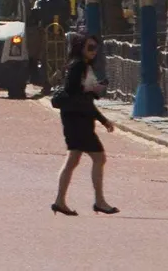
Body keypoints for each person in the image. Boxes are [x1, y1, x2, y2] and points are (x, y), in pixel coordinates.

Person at [52, 32, 117, 215]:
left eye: (95, 48)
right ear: (81, 48)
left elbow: (83, 97)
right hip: (78, 121)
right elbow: (76, 95)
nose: (93, 51)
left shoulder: (79, 66)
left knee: (72, 160)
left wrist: (93, 93)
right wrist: (93, 94)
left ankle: (60, 201)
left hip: (75, 119)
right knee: (99, 157)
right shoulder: (78, 67)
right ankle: (100, 201)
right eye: (90, 47)